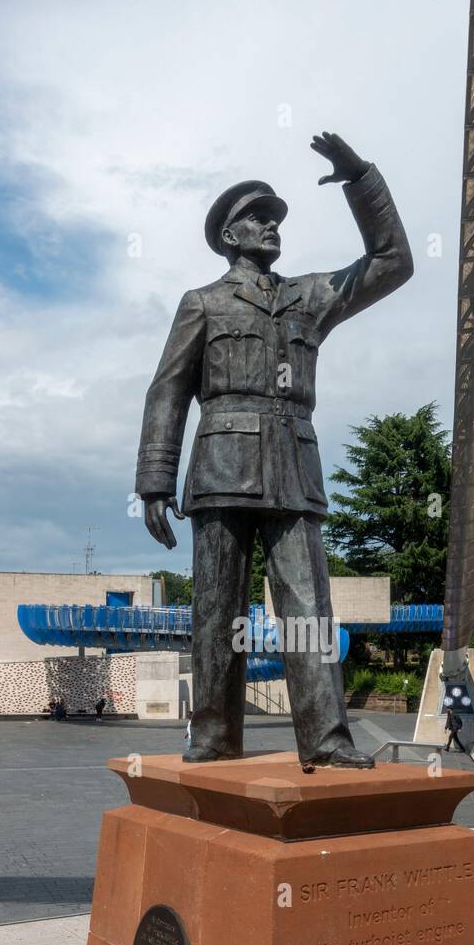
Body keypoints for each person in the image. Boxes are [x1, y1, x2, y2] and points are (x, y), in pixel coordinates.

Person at [135, 131, 413, 767]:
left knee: (309, 606)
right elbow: (168, 390)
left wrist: (359, 179)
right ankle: (213, 737)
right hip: (221, 466)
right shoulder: (201, 303)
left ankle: (326, 739)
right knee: (215, 611)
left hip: (292, 465)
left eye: (276, 218)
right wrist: (154, 480)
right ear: (230, 236)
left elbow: (394, 261)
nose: (271, 225)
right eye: (258, 218)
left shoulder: (309, 298)